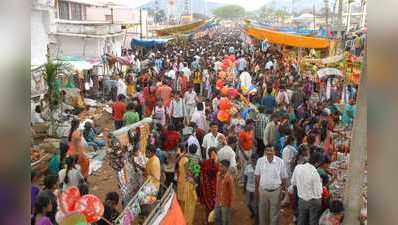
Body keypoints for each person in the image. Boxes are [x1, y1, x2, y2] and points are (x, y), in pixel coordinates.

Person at [255, 144, 287, 225]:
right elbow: (257, 176)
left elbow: (284, 177)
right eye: (267, 150)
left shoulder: (280, 161)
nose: (269, 152)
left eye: (271, 150)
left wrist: (283, 190)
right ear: (265, 151)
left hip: (276, 191)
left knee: (274, 213)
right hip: (263, 190)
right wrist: (259, 188)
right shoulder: (260, 161)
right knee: (262, 212)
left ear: (274, 152)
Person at [291, 152, 323, 225]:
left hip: (302, 200)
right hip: (313, 201)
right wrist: (321, 183)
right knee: (313, 221)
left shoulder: (298, 167)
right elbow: (318, 192)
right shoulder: (315, 173)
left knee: (301, 220)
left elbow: (293, 182)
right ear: (317, 163)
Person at [176, 145, 197, 225]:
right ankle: (186, 221)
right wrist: (194, 181)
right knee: (189, 206)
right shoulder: (185, 160)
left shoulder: (180, 159)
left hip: (181, 184)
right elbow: (195, 171)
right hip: (187, 186)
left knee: (183, 205)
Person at [200, 147, 220, 215]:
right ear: (209, 154)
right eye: (212, 154)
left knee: (213, 204)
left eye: (214, 154)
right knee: (209, 205)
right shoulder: (209, 163)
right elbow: (199, 169)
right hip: (208, 188)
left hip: (213, 187)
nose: (214, 156)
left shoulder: (215, 163)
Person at [215, 160, 234, 225]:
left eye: (221, 166)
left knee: (225, 221)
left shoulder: (229, 178)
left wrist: (231, 204)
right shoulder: (218, 174)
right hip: (217, 202)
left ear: (226, 167)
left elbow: (232, 192)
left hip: (225, 203)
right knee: (217, 219)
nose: (219, 168)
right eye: (219, 166)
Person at [244, 154, 258, 223]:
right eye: (253, 160)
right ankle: (253, 212)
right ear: (251, 160)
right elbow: (245, 177)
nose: (254, 161)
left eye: (255, 160)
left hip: (256, 189)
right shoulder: (248, 167)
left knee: (255, 204)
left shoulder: (259, 167)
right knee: (248, 203)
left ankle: (256, 218)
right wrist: (244, 187)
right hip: (248, 188)